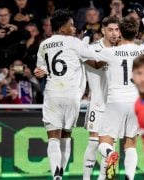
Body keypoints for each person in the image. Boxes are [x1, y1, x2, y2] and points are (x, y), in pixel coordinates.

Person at [86, 3, 144, 180]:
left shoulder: (111, 53)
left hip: (115, 101)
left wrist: (86, 38)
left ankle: (110, 153)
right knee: (131, 143)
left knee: (104, 142)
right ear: (136, 33)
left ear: (120, 33)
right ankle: (129, 178)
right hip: (136, 103)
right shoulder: (142, 49)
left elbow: (88, 54)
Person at [34, 9, 97, 180]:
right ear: (62, 29)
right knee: (66, 135)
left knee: (53, 137)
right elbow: (93, 60)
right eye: (71, 25)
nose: (74, 27)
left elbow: (41, 68)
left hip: (52, 93)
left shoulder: (44, 44)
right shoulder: (74, 42)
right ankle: (61, 171)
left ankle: (56, 176)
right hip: (72, 95)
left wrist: (40, 71)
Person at [82, 16, 120, 180]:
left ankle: (103, 178)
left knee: (110, 147)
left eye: (117, 29)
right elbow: (92, 63)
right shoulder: (92, 48)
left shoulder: (122, 49)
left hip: (116, 105)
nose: (114, 33)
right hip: (97, 103)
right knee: (93, 143)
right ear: (103, 30)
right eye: (110, 29)